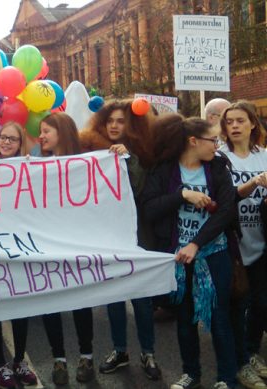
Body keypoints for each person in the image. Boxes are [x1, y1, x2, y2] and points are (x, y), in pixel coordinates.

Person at [142, 113, 237, 389]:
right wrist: (182, 194)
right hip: (178, 259)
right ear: (193, 141)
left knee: (219, 318)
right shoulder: (164, 170)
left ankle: (226, 378)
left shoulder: (218, 168)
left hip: (214, 256)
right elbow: (149, 208)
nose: (216, 146)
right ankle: (191, 373)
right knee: (184, 320)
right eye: (212, 140)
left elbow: (227, 212)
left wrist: (196, 244)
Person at [79, 100, 161, 381]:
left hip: (136, 236)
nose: (114, 126)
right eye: (110, 120)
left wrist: (129, 160)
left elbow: (138, 190)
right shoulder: (90, 151)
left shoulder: (143, 154)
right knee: (114, 297)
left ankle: (148, 352)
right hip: (107, 236)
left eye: (120, 121)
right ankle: (120, 350)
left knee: (141, 298)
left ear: (132, 125)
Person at [0, 122, 40, 388]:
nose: (6, 143)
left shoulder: (29, 168)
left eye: (12, 139)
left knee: (19, 307)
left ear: (20, 142)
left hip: (18, 248)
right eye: (3, 137)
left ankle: (19, 360)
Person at [37, 113, 96, 385]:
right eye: (40, 131)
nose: (42, 136)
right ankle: (58, 360)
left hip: (77, 243)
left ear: (62, 132)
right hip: (47, 246)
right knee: (52, 304)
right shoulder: (36, 166)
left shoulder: (87, 163)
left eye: (47, 131)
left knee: (81, 303)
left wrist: (122, 155)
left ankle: (87, 356)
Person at [218, 101, 267, 389]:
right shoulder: (219, 158)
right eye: (229, 121)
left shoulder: (264, 156)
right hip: (232, 244)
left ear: (252, 124)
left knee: (261, 304)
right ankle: (239, 360)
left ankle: (250, 352)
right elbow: (225, 198)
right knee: (236, 304)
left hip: (260, 242)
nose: (234, 126)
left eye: (240, 120)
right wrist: (252, 185)